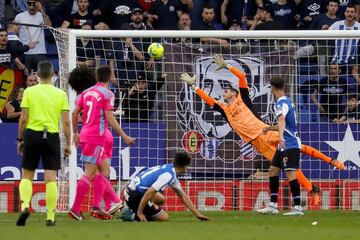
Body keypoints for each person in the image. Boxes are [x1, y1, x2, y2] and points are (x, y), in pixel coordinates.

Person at [180, 55, 345, 205]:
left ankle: (331, 161)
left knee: (298, 148)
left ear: (234, 93)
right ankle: (311, 190)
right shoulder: (224, 109)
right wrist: (193, 86)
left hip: (265, 131)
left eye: (227, 90)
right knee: (288, 167)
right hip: (257, 143)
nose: (224, 92)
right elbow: (208, 99)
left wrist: (226, 66)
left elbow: (242, 76)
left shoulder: (243, 98)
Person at [68, 65, 135, 220]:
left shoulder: (85, 93)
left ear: (97, 76)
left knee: (104, 171)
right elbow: (110, 118)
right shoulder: (107, 94)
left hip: (85, 133)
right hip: (96, 137)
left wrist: (75, 133)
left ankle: (97, 207)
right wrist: (124, 136)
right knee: (89, 172)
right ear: (110, 76)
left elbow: (74, 112)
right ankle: (75, 209)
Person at [16, 60, 71, 226]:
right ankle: (50, 216)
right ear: (53, 75)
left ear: (37, 75)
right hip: (52, 136)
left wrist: (20, 139)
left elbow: (23, 118)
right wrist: (68, 143)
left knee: (27, 175)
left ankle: (25, 206)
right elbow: (66, 123)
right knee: (50, 178)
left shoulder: (29, 92)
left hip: (32, 134)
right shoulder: (60, 94)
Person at [257, 77, 304, 215]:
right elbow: (284, 123)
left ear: (273, 88)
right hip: (284, 145)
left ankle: (297, 207)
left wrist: (281, 135)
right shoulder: (287, 100)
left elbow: (282, 119)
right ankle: (272, 205)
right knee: (273, 170)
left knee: (290, 173)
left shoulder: (280, 102)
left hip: (290, 144)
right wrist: (270, 128)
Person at [123, 151, 210, 222]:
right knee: (164, 218)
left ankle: (138, 209)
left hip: (131, 190)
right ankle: (131, 214)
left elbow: (183, 196)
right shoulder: (168, 175)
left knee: (161, 199)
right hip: (134, 195)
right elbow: (150, 192)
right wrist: (140, 212)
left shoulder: (170, 169)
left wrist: (197, 214)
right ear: (185, 166)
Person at [14, 0, 52, 71]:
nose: (32, 6)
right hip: (25, 52)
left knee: (41, 77)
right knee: (25, 77)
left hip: (40, 52)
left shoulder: (41, 15)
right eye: (29, 3)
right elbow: (15, 32)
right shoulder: (19, 16)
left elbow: (49, 25)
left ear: (38, 4)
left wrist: (42, 10)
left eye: (34, 4)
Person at [329, 5, 360, 74]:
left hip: (352, 62)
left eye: (352, 12)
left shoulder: (359, 27)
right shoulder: (336, 25)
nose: (349, 14)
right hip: (336, 61)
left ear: (355, 14)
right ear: (344, 13)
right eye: (348, 11)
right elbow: (325, 35)